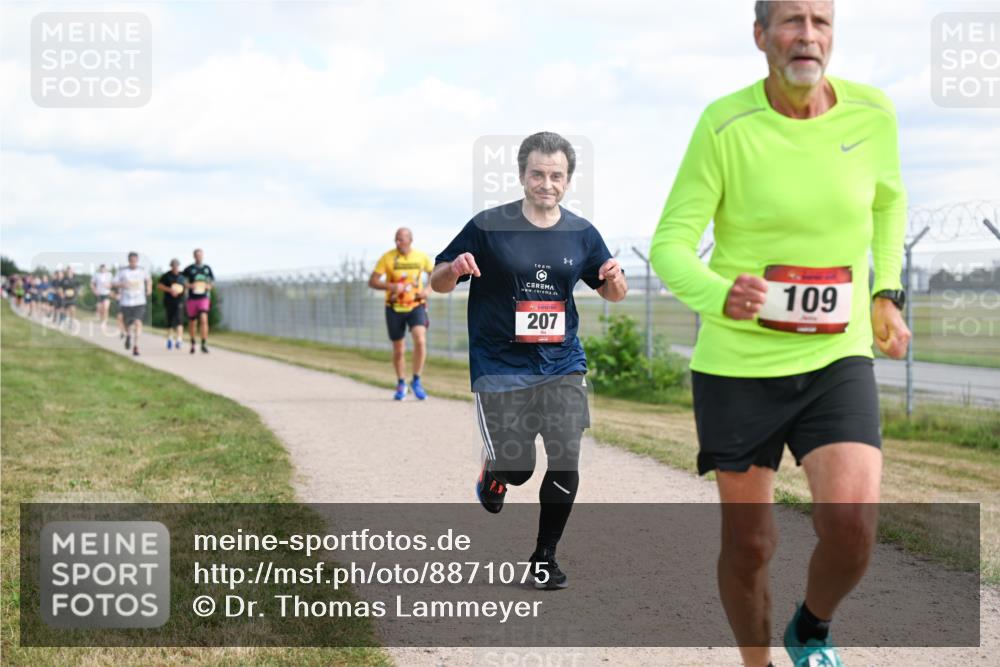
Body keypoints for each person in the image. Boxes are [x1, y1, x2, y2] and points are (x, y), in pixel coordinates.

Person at [649, 3, 910, 666]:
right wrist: (720, 294)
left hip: (836, 354)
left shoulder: (873, 113)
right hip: (738, 365)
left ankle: (812, 628)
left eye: (821, 21)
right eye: (792, 20)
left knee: (852, 525)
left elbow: (888, 200)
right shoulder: (723, 125)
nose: (808, 35)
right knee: (750, 544)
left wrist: (886, 291)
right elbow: (670, 244)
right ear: (761, 35)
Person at [431, 131, 627, 590]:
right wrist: (454, 269)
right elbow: (437, 280)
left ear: (568, 180)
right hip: (500, 364)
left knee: (566, 456)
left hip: (562, 363)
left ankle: (544, 557)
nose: (547, 184)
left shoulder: (581, 233)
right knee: (519, 468)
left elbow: (613, 292)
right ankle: (497, 471)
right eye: (538, 174)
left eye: (556, 176)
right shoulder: (488, 226)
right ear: (522, 175)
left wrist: (615, 278)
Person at [368, 228, 435, 400]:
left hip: (416, 305)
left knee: (420, 340)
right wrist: (391, 286)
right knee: (399, 349)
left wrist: (427, 290)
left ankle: (416, 381)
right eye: (396, 239)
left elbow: (434, 275)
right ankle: (401, 383)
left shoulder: (421, 257)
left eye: (401, 239)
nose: (398, 243)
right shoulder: (387, 257)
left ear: (410, 240)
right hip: (394, 307)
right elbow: (373, 281)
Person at [115, 252, 152, 356]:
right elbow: (113, 283)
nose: (133, 262)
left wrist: (149, 288)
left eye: (135, 260)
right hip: (126, 302)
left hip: (139, 301)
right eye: (131, 261)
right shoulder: (122, 271)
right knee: (127, 324)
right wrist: (122, 284)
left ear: (137, 260)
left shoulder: (142, 271)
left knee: (137, 322)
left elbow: (149, 280)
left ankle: (136, 346)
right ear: (129, 260)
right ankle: (128, 335)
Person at [183, 248, 214, 354]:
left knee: (204, 319)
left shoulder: (207, 269)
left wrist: (209, 286)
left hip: (203, 297)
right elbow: (183, 282)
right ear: (194, 256)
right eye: (197, 255)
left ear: (202, 256)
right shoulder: (189, 269)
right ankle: (192, 342)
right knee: (192, 322)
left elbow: (211, 282)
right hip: (192, 298)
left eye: (200, 255)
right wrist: (190, 285)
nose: (199, 257)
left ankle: (204, 343)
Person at [157, 259, 187, 350]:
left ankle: (179, 339)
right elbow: (159, 286)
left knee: (179, 320)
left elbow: (186, 285)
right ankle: (170, 339)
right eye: (174, 265)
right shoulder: (166, 276)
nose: (175, 267)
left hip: (179, 301)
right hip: (169, 301)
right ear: (171, 266)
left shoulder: (182, 276)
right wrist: (170, 290)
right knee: (169, 321)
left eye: (176, 265)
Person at [91, 264, 114, 328]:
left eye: (104, 268)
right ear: (100, 269)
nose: (103, 270)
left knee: (106, 308)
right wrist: (94, 290)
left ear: (106, 269)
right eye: (101, 268)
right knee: (100, 308)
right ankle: (102, 320)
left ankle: (105, 321)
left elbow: (113, 283)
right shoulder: (96, 275)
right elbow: (92, 283)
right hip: (99, 293)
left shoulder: (109, 275)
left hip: (106, 293)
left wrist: (110, 286)